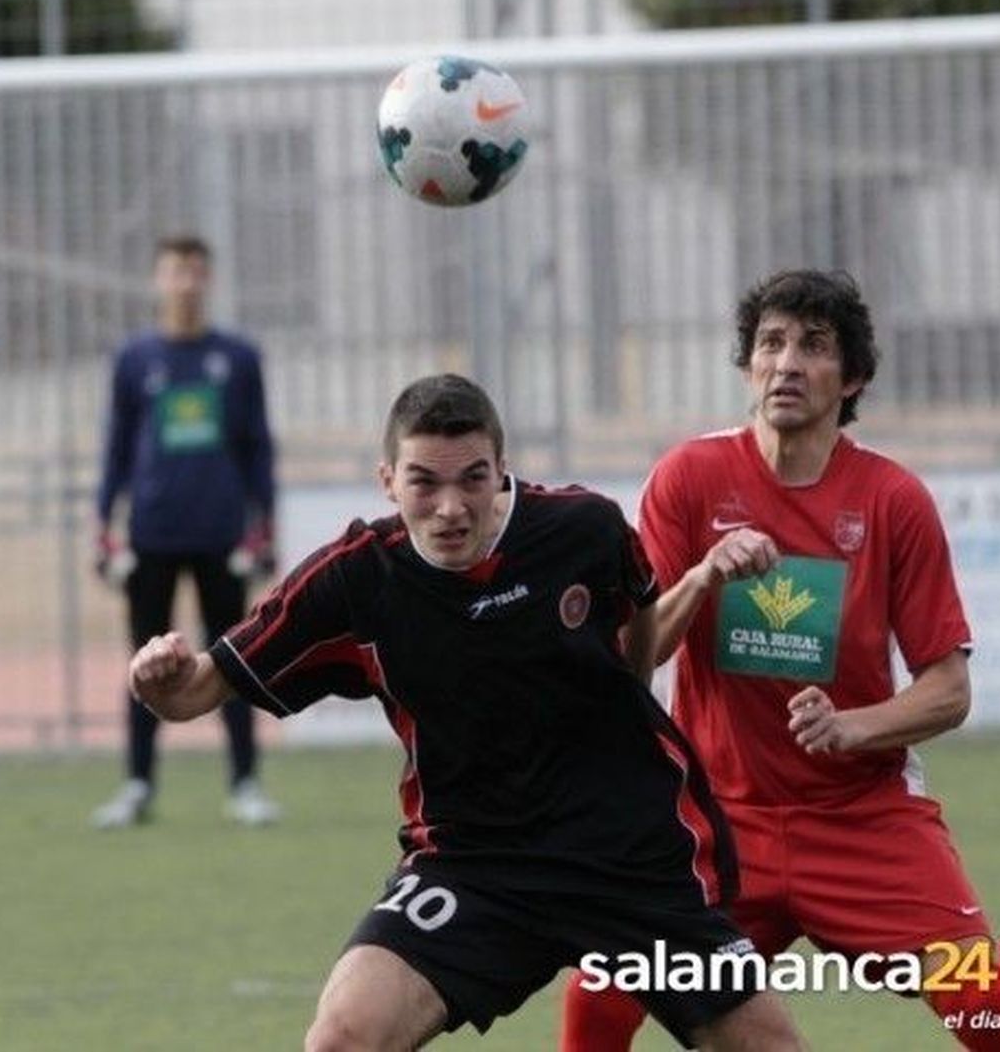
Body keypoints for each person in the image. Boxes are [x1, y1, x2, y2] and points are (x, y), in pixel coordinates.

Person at [129, 373, 808, 1050]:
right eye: (425, 482)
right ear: (388, 481)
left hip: (625, 855)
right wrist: (158, 677)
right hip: (474, 862)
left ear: (501, 471)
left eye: (473, 480)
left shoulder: (585, 529)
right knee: (342, 1037)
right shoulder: (354, 578)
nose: (451, 507)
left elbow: (638, 631)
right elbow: (194, 691)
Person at [559, 269, 1000, 1052]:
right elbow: (632, 659)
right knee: (598, 998)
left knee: (991, 1010)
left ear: (853, 376)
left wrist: (853, 726)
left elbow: (948, 689)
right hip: (715, 820)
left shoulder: (894, 501)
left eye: (814, 345)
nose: (787, 362)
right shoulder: (689, 479)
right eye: (771, 342)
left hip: (861, 820)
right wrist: (703, 576)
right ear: (747, 366)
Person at [90, 235, 280, 829]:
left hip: (221, 532)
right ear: (157, 279)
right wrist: (104, 523)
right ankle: (138, 784)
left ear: (209, 280)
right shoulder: (134, 359)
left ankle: (245, 782)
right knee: (144, 660)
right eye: (175, 271)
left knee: (234, 658)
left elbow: (257, 449)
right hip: (152, 531)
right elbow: (117, 449)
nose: (186, 282)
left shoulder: (239, 358)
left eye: (196, 271)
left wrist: (263, 526)